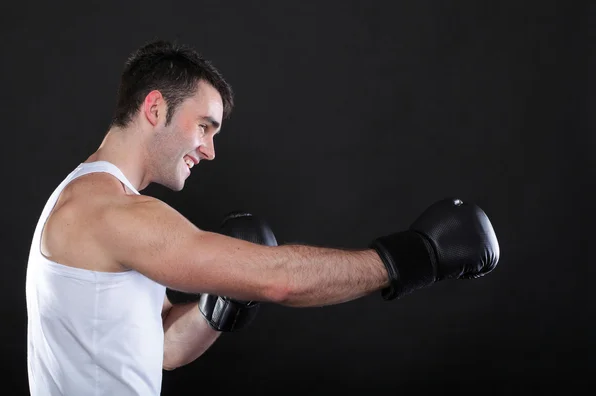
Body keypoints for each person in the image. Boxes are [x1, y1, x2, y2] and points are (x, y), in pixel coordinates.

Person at [25, 39, 500, 396]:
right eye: (204, 126)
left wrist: (217, 307)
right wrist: (417, 254)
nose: (209, 150)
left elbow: (163, 349)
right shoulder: (107, 211)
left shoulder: (85, 198)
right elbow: (278, 281)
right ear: (154, 107)